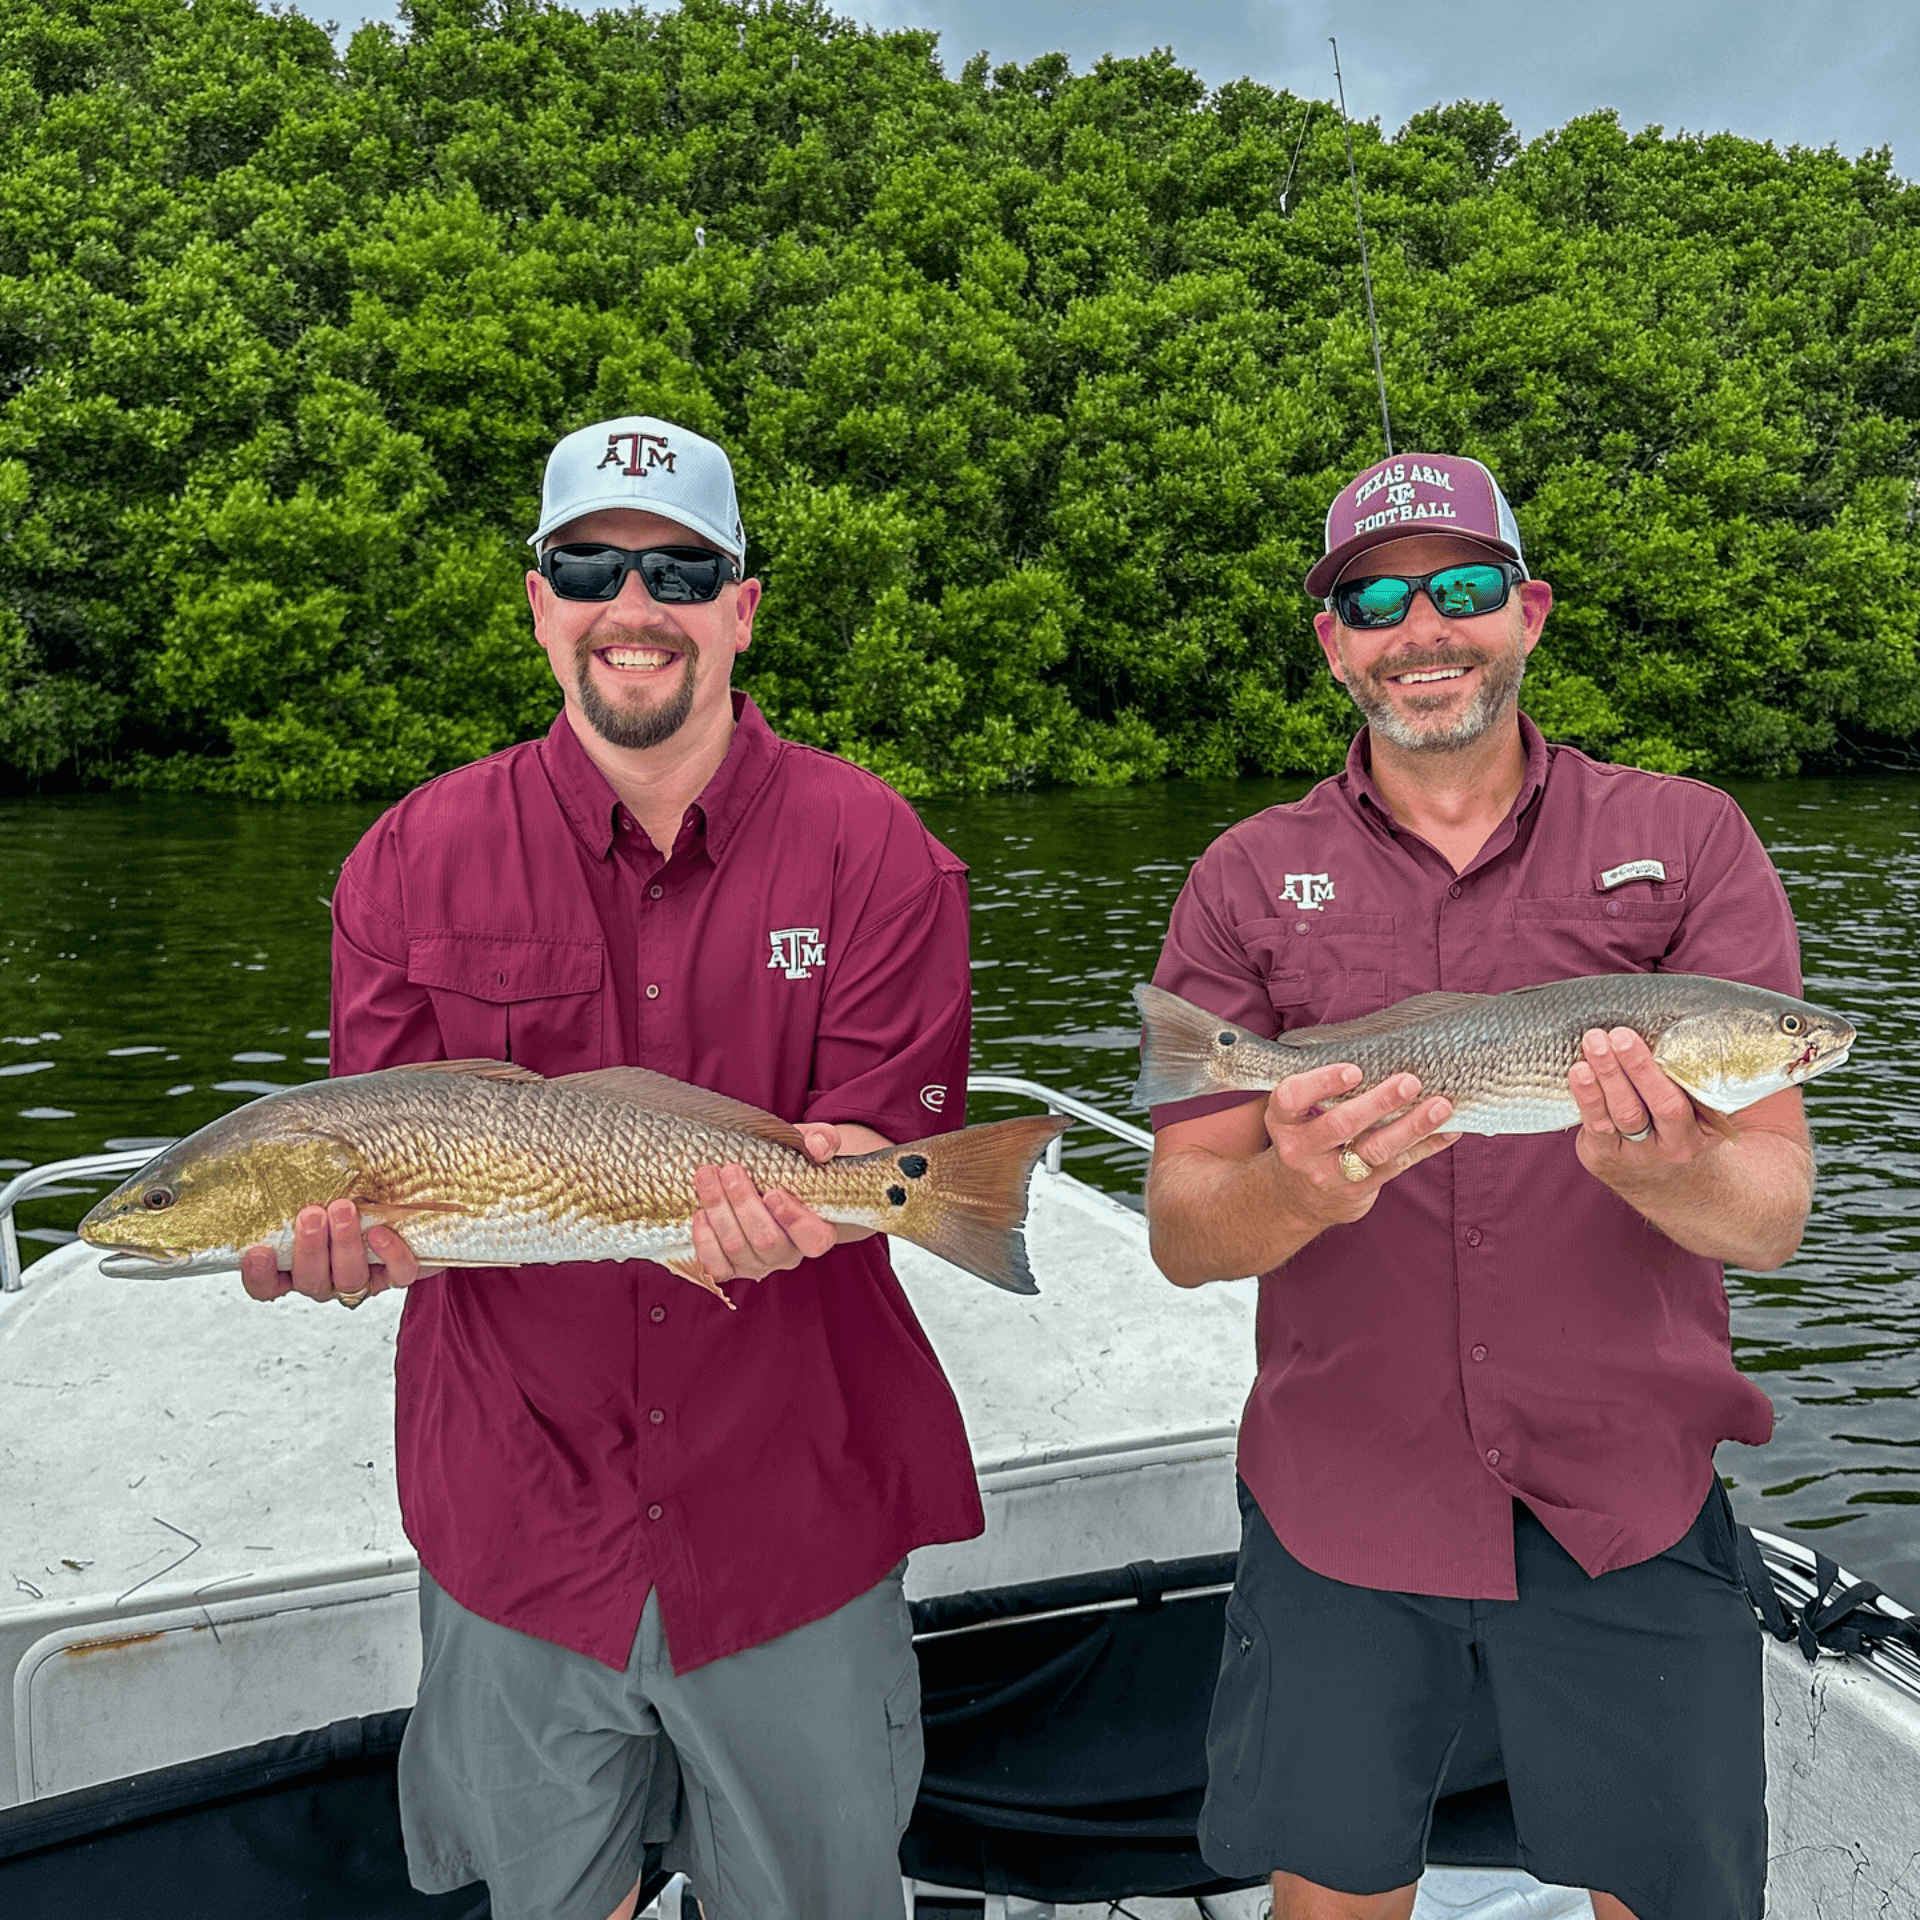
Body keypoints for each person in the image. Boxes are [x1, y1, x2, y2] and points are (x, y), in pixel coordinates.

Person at [237, 414, 985, 1920]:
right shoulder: (405, 857)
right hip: (515, 1522)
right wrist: (343, 1252)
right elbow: (381, 1153)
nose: (630, 605)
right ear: (538, 600)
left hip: (795, 1511)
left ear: (741, 606)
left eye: (678, 570)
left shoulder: (877, 850)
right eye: (587, 564)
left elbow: (887, 1149)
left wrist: (842, 1192)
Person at [1142, 453, 1812, 1920]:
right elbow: (1189, 1232)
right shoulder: (1247, 877)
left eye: (1463, 588)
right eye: (1375, 598)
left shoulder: (1693, 838)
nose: (1421, 627)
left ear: (1529, 612)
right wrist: (1303, 1191)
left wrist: (1674, 1165)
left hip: (1626, 1493)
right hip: (1343, 1502)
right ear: (1333, 642)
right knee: (1330, 1899)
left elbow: (1768, 1218)